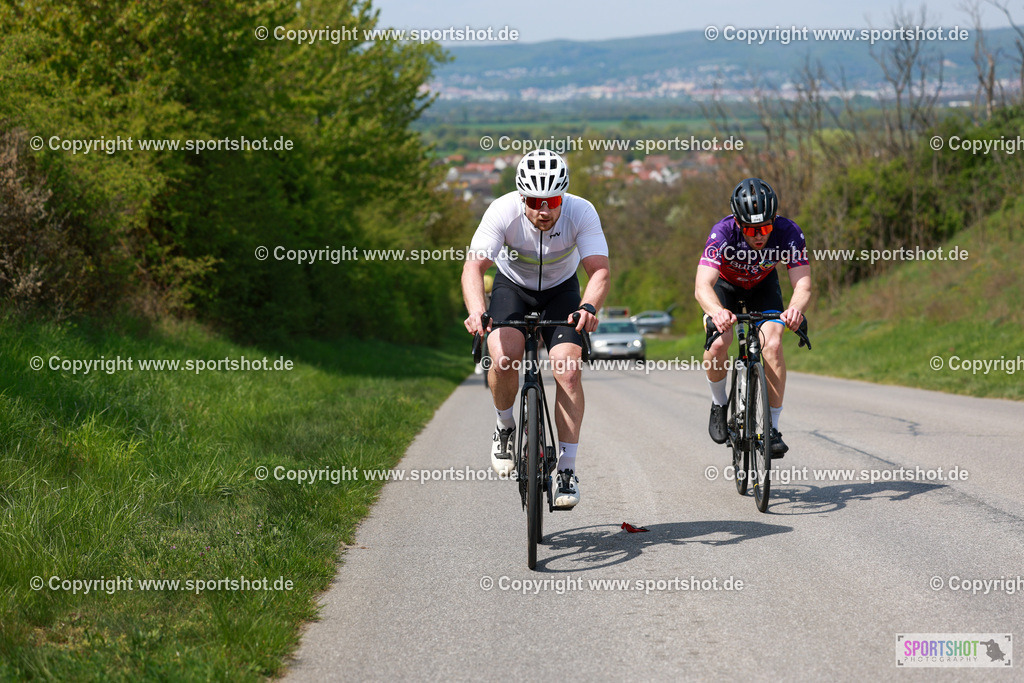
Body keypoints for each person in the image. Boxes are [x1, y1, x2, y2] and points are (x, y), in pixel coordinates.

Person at [462, 149, 610, 508]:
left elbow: (599, 270)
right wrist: (478, 311)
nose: (544, 210)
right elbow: (473, 268)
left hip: (562, 291)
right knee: (503, 357)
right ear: (521, 196)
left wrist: (589, 306)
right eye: (534, 201)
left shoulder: (582, 211)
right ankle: (504, 425)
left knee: (569, 370)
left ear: (564, 196)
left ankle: (567, 470)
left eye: (553, 201)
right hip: (512, 288)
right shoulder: (502, 211)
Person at [695, 177, 811, 456]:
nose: (759, 235)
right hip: (726, 287)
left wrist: (795, 309)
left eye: (765, 227)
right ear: (738, 223)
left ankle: (772, 428)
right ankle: (719, 403)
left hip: (763, 287)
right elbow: (702, 286)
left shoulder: (789, 232)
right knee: (719, 343)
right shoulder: (722, 232)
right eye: (750, 229)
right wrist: (716, 312)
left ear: (774, 220)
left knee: (772, 344)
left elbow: (803, 284)